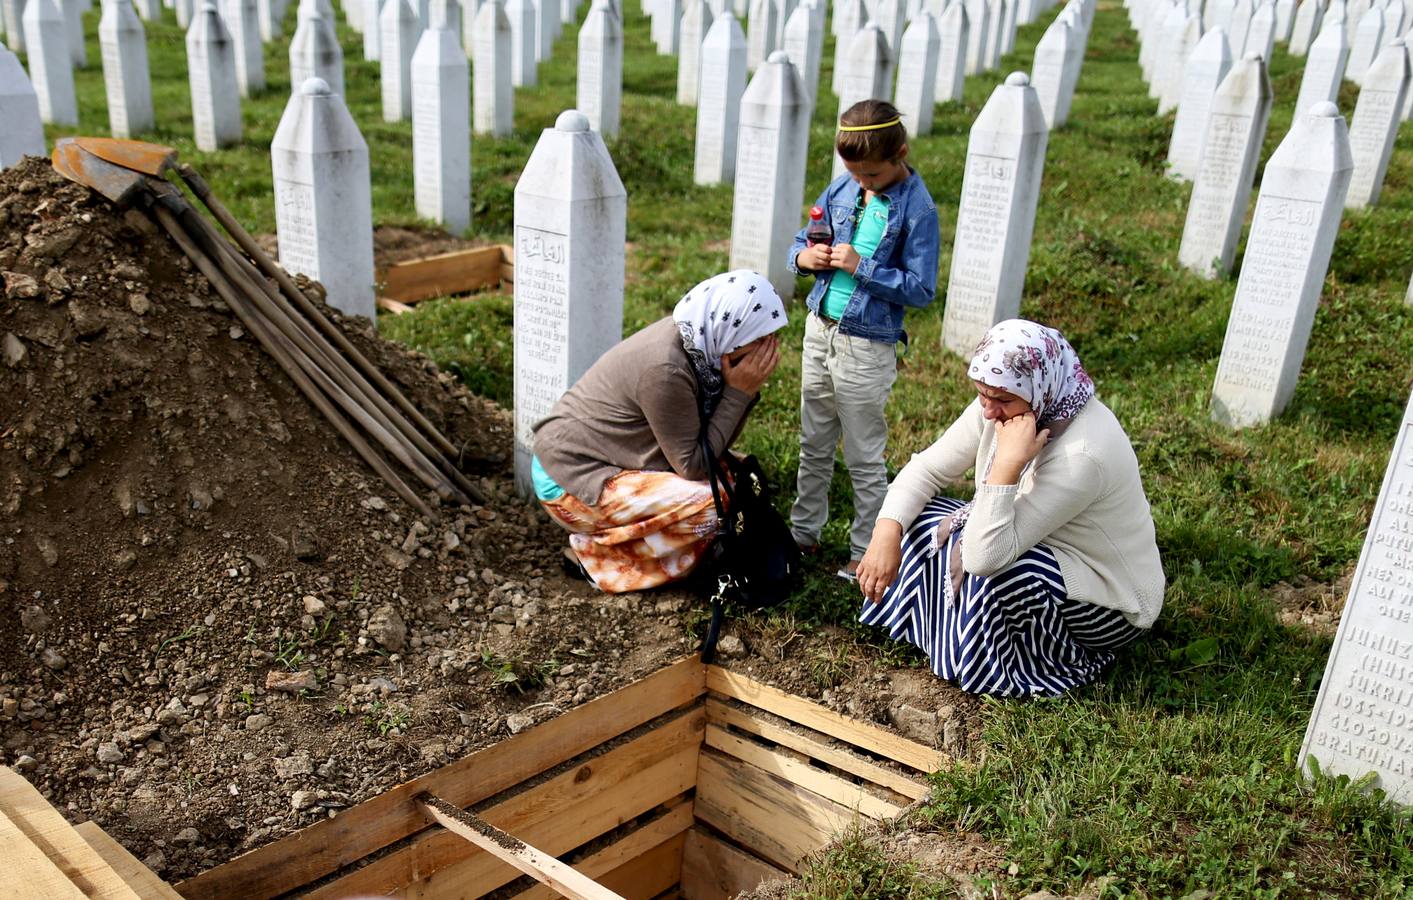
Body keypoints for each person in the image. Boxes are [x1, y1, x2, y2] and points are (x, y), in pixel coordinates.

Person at [855, 320, 1164, 697]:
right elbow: (928, 468)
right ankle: (943, 638)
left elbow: (984, 558)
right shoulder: (1009, 398)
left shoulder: (1083, 454)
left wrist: (1006, 465)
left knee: (1000, 571)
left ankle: (1045, 664)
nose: (988, 410)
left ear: (1039, 388)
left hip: (1108, 602)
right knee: (922, 520)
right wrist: (886, 532)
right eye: (981, 394)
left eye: (1000, 400)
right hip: (1044, 544)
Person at [530, 270, 787, 594]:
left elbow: (710, 447)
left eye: (772, 336)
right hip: (569, 479)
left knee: (736, 476)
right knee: (715, 503)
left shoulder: (699, 343)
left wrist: (740, 392)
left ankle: (653, 547)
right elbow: (694, 465)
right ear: (728, 329)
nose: (768, 350)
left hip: (610, 456)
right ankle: (596, 559)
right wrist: (740, 394)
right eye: (758, 339)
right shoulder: (667, 370)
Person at [787, 99, 940, 582]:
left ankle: (864, 548)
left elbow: (921, 288)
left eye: (871, 174)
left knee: (862, 454)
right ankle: (803, 533)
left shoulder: (918, 209)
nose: (863, 183)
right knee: (814, 441)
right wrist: (804, 259)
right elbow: (804, 239)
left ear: (901, 154)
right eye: (854, 173)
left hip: (865, 346)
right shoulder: (844, 188)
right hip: (820, 331)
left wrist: (861, 266)